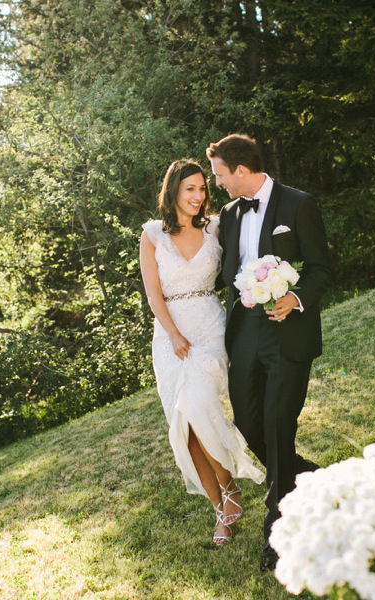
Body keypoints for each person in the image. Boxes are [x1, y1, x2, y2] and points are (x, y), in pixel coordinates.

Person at [206, 134, 332, 572]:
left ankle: (276, 532)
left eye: (221, 175)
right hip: (244, 332)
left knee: (279, 425)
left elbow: (321, 267)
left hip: (288, 329)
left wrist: (294, 298)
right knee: (249, 424)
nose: (218, 183)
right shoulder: (228, 213)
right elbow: (223, 269)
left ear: (241, 170)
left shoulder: (299, 204)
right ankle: (311, 479)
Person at [139, 158, 265, 546]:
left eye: (201, 189)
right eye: (189, 189)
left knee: (197, 406)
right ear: (173, 190)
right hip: (169, 335)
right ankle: (223, 506)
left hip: (210, 328)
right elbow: (153, 294)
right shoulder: (152, 234)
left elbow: (244, 258)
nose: (197, 196)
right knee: (183, 424)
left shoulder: (215, 227)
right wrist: (173, 335)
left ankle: (228, 489)